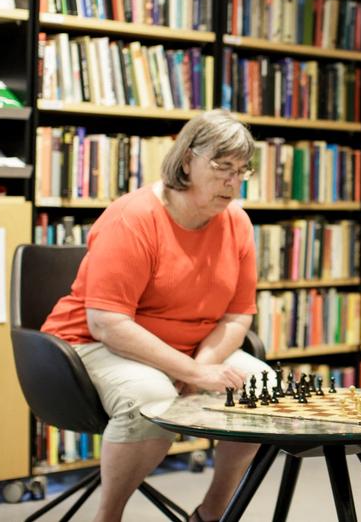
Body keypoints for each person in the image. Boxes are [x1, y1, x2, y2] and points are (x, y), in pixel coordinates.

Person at [41, 110, 270, 522]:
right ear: (187, 161)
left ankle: (212, 513)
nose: (233, 182)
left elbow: (237, 317)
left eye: (242, 171)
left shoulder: (237, 222)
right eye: (222, 168)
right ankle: (107, 516)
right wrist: (192, 373)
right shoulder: (134, 217)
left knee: (263, 390)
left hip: (188, 349)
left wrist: (200, 368)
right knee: (151, 398)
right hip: (92, 345)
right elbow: (106, 323)